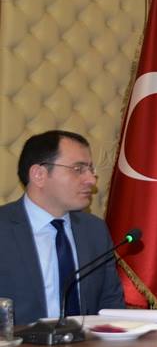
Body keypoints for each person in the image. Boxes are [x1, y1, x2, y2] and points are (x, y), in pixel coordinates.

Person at [0, 130, 125, 325]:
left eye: (90, 170)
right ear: (39, 175)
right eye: (78, 169)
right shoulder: (4, 228)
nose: (91, 180)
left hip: (90, 344)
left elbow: (111, 305)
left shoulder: (95, 230)